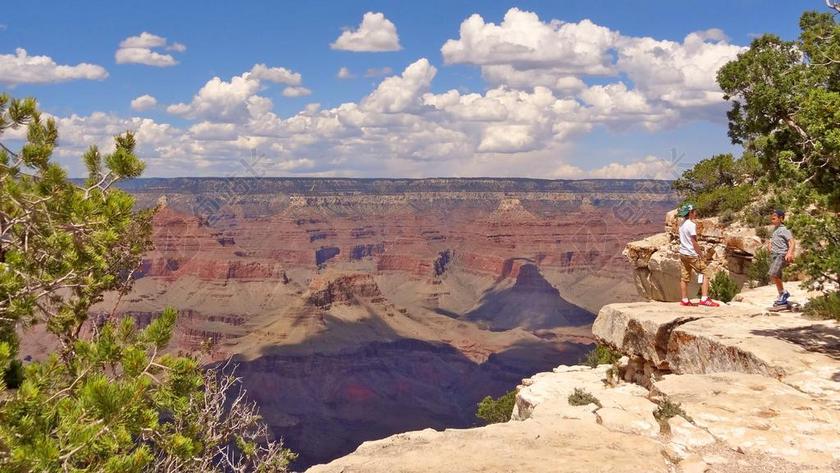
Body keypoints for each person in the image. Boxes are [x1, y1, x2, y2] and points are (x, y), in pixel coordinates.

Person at [677, 203, 719, 307]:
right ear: (690, 213)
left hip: (683, 253)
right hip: (692, 254)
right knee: (706, 273)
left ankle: (684, 300)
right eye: (694, 211)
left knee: (684, 277)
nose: (696, 213)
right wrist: (701, 254)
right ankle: (704, 299)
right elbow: (694, 242)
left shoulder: (681, 224)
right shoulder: (691, 225)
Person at [768, 209, 795, 306]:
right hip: (775, 255)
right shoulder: (775, 230)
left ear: (781, 218)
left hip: (781, 254)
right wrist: (769, 245)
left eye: (775, 216)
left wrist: (789, 253)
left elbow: (792, 242)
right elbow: (771, 240)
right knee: (777, 275)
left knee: (773, 273)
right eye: (772, 216)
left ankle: (784, 293)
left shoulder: (784, 230)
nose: (773, 217)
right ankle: (781, 295)